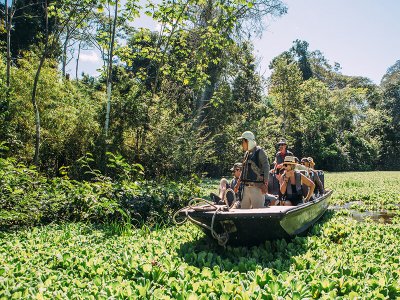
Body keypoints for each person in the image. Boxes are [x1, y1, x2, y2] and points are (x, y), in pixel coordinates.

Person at [237, 131, 270, 209]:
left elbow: (266, 166)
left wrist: (265, 183)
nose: (242, 144)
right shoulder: (246, 154)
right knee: (243, 213)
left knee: (258, 213)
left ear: (248, 141)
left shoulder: (260, 151)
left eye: (243, 141)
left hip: (257, 188)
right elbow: (244, 169)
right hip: (245, 188)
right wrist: (238, 183)